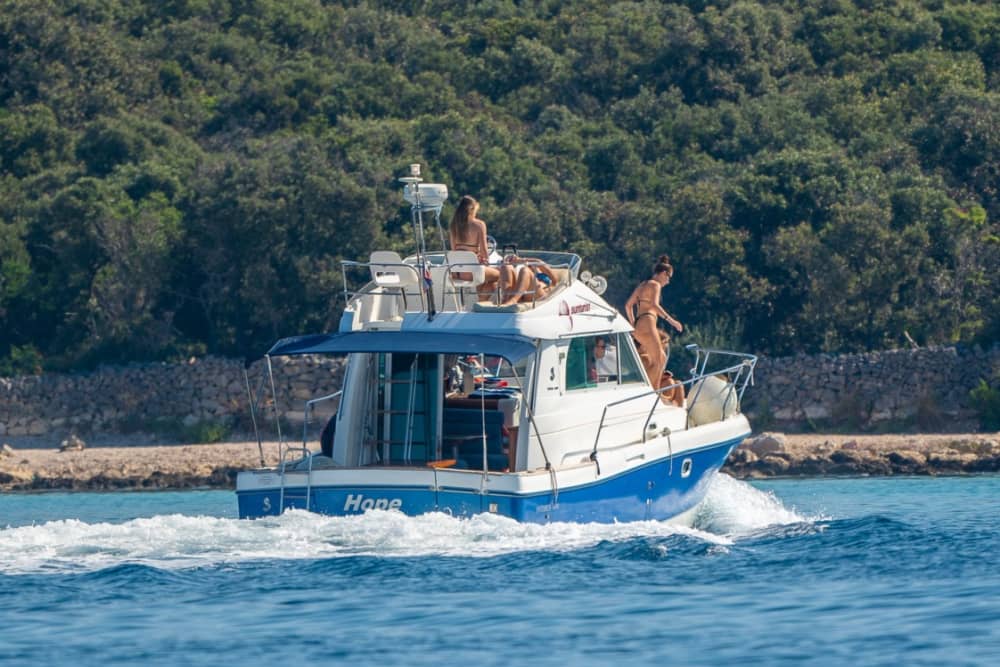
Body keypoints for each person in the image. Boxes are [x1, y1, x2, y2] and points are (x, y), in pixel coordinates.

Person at [624, 255, 683, 392]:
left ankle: (652, 391)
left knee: (658, 359)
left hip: (640, 325)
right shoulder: (655, 285)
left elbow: (628, 305)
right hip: (648, 322)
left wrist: (634, 325)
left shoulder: (643, 285)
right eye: (668, 277)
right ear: (663, 273)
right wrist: (672, 321)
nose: (668, 281)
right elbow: (655, 305)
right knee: (660, 359)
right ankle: (652, 393)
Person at [448, 195, 500, 299]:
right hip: (471, 273)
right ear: (472, 209)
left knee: (481, 274)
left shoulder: (454, 225)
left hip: (455, 273)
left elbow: (454, 251)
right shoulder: (479, 225)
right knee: (500, 276)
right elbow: (485, 252)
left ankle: (481, 302)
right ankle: (482, 302)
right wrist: (483, 261)